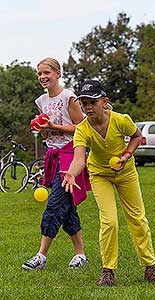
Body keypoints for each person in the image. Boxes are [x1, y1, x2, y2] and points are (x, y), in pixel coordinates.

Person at [61, 79, 155, 286]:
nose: (88, 107)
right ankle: (108, 270)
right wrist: (72, 173)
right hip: (100, 175)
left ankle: (150, 266)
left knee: (137, 218)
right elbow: (79, 158)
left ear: (104, 101)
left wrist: (126, 156)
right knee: (109, 222)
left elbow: (136, 136)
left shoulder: (120, 119)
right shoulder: (82, 129)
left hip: (126, 173)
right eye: (84, 103)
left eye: (92, 102)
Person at [22, 58, 90, 271]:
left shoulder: (68, 97)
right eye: (39, 73)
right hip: (53, 156)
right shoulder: (41, 101)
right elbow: (48, 131)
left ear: (58, 73)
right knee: (66, 207)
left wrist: (55, 126)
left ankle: (41, 256)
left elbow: (83, 128)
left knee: (54, 204)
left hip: (71, 155)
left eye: (47, 73)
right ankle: (80, 255)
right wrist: (42, 127)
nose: (43, 77)